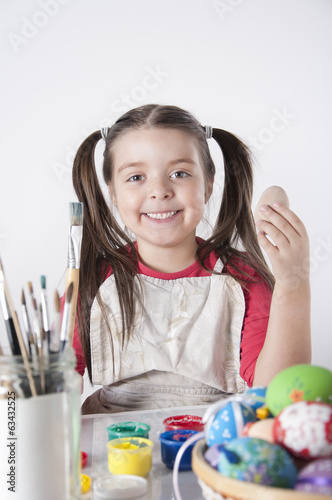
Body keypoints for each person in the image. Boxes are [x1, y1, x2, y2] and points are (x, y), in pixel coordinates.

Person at [71, 104, 311, 414]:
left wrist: (293, 284)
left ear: (209, 184)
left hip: (211, 444)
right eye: (136, 177)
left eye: (180, 173)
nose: (159, 191)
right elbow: (56, 384)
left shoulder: (242, 280)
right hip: (112, 449)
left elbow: (280, 394)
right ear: (113, 193)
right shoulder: (94, 279)